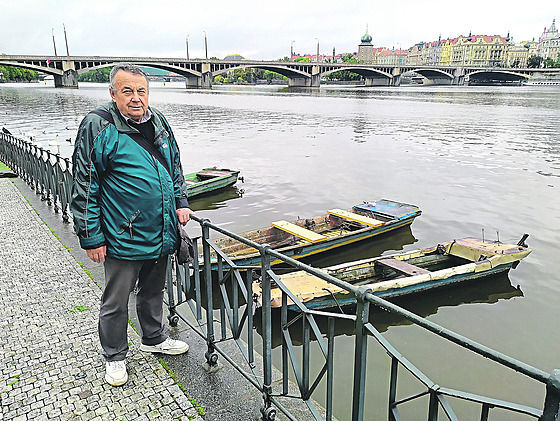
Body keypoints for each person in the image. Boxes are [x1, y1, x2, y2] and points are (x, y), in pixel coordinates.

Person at [70, 63, 193, 386]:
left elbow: (174, 165)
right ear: (113, 93)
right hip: (124, 233)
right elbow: (85, 183)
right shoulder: (98, 125)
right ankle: (114, 356)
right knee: (115, 300)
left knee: (154, 291)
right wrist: (91, 236)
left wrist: (181, 202)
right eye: (127, 91)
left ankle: (153, 338)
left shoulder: (159, 120)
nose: (136, 98)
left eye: (141, 91)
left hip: (162, 228)